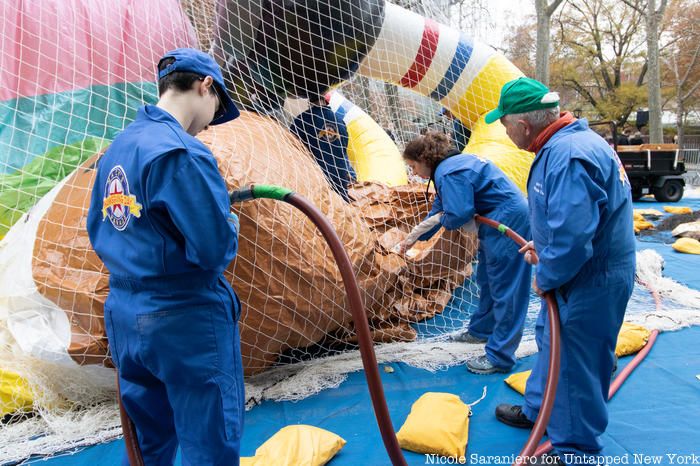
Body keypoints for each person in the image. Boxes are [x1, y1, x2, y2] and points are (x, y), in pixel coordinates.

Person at [87, 48, 244, 466]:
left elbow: (96, 228)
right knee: (210, 441)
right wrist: (228, 220)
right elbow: (213, 249)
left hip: (125, 314)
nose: (210, 122)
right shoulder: (182, 153)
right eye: (216, 108)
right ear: (204, 85)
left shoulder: (119, 147)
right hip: (184, 319)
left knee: (146, 443)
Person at [486, 77, 635, 465]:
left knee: (575, 362)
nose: (504, 131)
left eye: (504, 124)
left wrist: (547, 273)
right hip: (582, 270)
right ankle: (541, 410)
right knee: (552, 342)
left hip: (589, 277)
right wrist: (545, 245)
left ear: (523, 124)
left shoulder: (567, 155)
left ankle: (575, 450)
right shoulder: (568, 143)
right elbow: (570, 222)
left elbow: (572, 240)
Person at [397, 131, 531, 375]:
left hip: (507, 222)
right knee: (488, 279)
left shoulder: (449, 172)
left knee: (507, 287)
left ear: (424, 159)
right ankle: (482, 330)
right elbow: (440, 209)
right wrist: (414, 237)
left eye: (413, 166)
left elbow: (457, 212)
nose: (414, 172)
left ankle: (501, 355)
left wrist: (440, 222)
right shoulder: (449, 167)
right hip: (500, 218)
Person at [290, 96, 357, 201]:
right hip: (340, 177)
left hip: (317, 180)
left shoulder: (303, 119)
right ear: (327, 101)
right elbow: (344, 149)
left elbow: (292, 148)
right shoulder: (340, 121)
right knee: (340, 209)